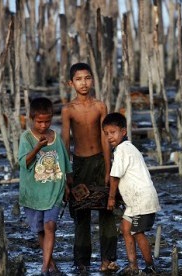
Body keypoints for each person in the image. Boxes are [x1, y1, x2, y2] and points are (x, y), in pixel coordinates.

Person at [61, 62, 119, 272]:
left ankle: (108, 259)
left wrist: (107, 167)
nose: (83, 83)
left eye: (87, 78)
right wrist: (67, 172)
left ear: (92, 80)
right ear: (71, 83)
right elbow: (66, 142)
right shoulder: (68, 110)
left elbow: (105, 138)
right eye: (78, 79)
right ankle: (82, 262)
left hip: (99, 161)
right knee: (81, 213)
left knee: (106, 210)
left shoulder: (100, 106)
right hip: (79, 164)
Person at [18, 97, 72, 276]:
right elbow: (24, 162)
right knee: (40, 230)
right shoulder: (26, 138)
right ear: (32, 119)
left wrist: (67, 185)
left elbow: (65, 162)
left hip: (54, 190)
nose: (43, 125)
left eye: (47, 121)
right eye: (39, 121)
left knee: (50, 226)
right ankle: (52, 265)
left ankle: (43, 268)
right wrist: (37, 148)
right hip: (33, 193)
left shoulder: (56, 137)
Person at [102, 112, 161, 275]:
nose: (109, 137)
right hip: (135, 202)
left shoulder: (122, 150)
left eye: (113, 132)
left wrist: (112, 198)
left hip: (142, 199)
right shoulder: (126, 148)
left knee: (137, 232)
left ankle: (150, 266)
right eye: (106, 133)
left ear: (123, 132)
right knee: (126, 228)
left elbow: (115, 177)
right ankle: (133, 265)